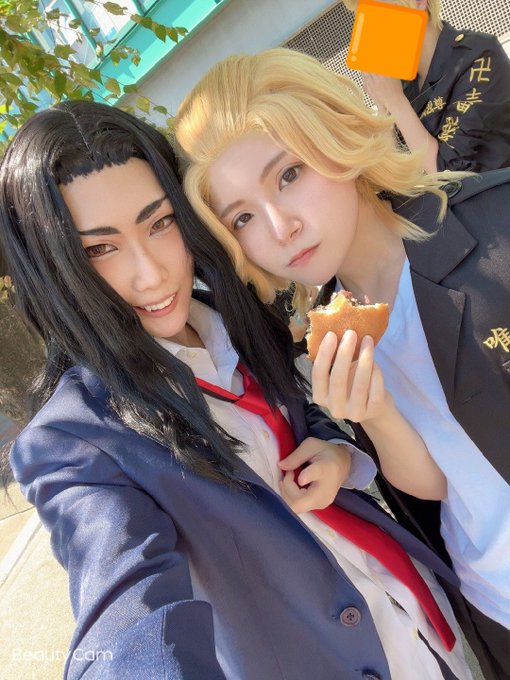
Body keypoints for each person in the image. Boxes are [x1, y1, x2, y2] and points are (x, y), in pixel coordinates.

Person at [0, 100, 473, 680]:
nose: (151, 273)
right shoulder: (73, 441)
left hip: (424, 618)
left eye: (160, 223)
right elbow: (125, 613)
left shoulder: (237, 318)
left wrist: (334, 452)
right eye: (99, 248)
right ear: (53, 267)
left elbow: (290, 417)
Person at [174, 47, 510, 680]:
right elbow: (440, 484)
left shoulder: (494, 224)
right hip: (491, 607)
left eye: (289, 174)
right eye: (242, 217)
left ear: (336, 136)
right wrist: (375, 416)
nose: (281, 227)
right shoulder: (335, 323)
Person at [341, 0, 510, 172]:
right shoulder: (400, 84)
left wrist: (395, 102)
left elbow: (449, 174)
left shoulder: (478, 56)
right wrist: (383, 107)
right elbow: (393, 176)